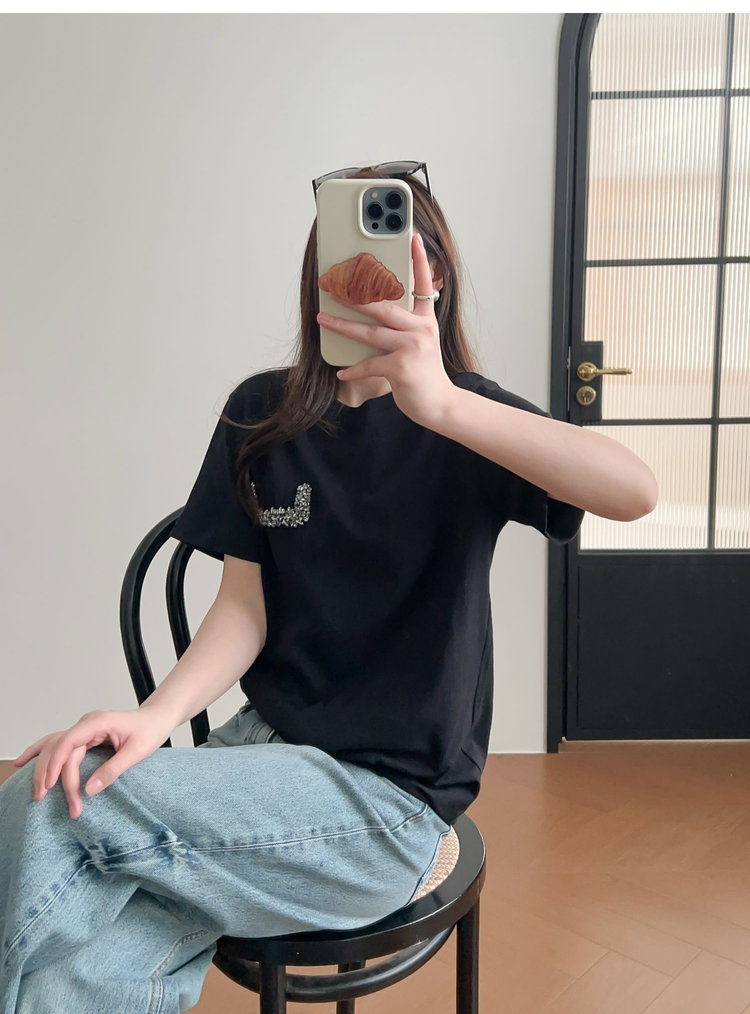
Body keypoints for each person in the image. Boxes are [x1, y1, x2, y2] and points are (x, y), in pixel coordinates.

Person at [0, 164, 657, 1013]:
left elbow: (635, 491)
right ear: (318, 275)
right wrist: (155, 718)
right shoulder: (261, 414)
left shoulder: (471, 420)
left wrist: (443, 405)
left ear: (435, 274)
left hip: (386, 806)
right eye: (344, 250)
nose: (368, 269)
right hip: (257, 755)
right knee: (79, 962)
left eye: (399, 250)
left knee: (53, 802)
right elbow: (243, 608)